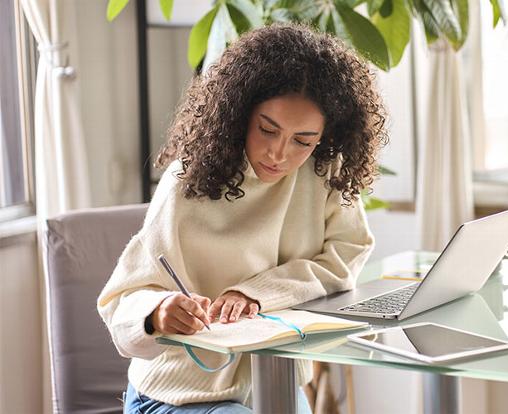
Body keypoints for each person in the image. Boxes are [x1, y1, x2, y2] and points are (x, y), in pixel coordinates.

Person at [97, 23, 388, 413]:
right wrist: (159, 312)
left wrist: (254, 293)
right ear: (240, 111)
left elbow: (345, 259)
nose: (279, 154)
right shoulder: (187, 180)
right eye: (267, 129)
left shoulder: (323, 173)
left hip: (273, 383)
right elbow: (122, 301)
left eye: (303, 140)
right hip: (174, 394)